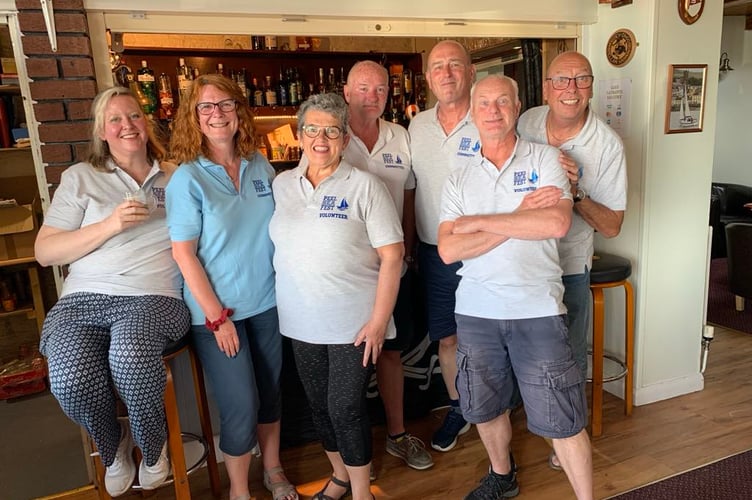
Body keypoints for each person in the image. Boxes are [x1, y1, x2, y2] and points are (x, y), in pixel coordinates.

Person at [437, 74, 593, 500]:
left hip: (537, 308)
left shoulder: (545, 159)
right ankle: (502, 475)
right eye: (484, 103)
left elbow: (556, 222)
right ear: (472, 111)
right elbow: (449, 249)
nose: (492, 110)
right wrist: (517, 216)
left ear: (517, 106)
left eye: (502, 102)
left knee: (564, 415)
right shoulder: (459, 177)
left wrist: (481, 221)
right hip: (477, 311)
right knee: (484, 408)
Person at [35, 86, 190, 497]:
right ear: (102, 131)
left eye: (134, 116)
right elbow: (45, 251)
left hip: (155, 294)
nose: (127, 126)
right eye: (115, 119)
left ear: (146, 121)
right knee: (69, 377)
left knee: (129, 355)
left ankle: (154, 450)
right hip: (83, 297)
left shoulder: (176, 176)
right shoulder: (81, 177)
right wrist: (110, 225)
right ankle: (114, 447)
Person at [166, 74, 297, 500]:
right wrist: (217, 317)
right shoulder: (188, 178)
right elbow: (184, 254)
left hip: (268, 302)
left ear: (240, 111)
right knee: (241, 404)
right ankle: (239, 490)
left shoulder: (260, 164)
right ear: (194, 118)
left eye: (225, 104)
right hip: (217, 314)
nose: (217, 114)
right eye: (206, 107)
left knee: (272, 393)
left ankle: (272, 469)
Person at [270, 93, 404, 500]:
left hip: (354, 323)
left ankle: (362, 493)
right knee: (319, 408)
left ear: (345, 139)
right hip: (299, 321)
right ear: (299, 134)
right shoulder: (282, 185)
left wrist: (379, 322)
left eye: (332, 130)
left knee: (345, 408)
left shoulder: (365, 185)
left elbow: (393, 255)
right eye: (312, 129)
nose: (321, 138)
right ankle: (340, 476)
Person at [517, 50, 627, 471]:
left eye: (582, 80)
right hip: (520, 258)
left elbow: (613, 225)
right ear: (546, 87)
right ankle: (529, 420)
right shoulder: (526, 121)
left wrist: (575, 191)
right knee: (521, 348)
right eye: (562, 80)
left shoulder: (606, 144)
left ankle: (565, 437)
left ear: (592, 87)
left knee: (568, 355)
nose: (571, 89)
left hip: (568, 265)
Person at [342, 60, 432, 470]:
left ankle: (396, 435)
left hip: (392, 265)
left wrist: (409, 250)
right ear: (346, 92)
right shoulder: (332, 136)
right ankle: (351, 452)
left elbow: (410, 197)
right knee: (347, 358)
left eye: (380, 89)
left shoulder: (400, 135)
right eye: (363, 89)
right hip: (345, 269)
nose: (372, 97)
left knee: (391, 351)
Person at [408, 40, 481, 452]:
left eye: (456, 65)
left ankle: (493, 408)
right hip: (435, 252)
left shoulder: (491, 115)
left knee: (489, 337)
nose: (447, 73)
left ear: (471, 73)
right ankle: (458, 408)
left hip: (483, 250)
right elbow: (411, 188)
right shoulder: (417, 126)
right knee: (448, 339)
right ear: (429, 78)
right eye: (438, 66)